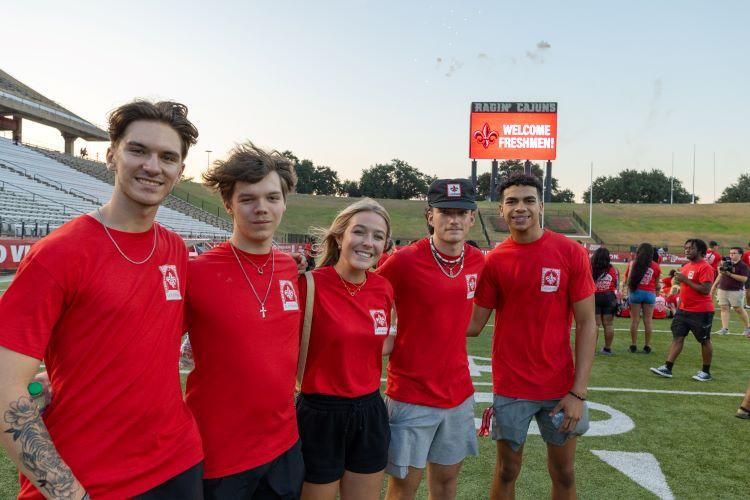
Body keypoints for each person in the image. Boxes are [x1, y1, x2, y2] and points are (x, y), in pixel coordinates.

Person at [0, 100, 204, 498]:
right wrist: (69, 492)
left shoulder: (175, 249)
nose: (153, 166)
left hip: (177, 465)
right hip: (86, 479)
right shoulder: (59, 253)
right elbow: (5, 387)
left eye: (168, 157)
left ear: (180, 171)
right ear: (111, 155)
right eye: (138, 150)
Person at [184, 142, 304, 499]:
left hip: (285, 445)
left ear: (284, 201)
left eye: (272, 197)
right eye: (248, 198)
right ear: (229, 204)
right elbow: (147, 339)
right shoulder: (197, 272)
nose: (262, 208)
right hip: (220, 453)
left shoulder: (288, 267)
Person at [466, 174, 596, 500]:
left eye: (527, 200)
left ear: (540, 205)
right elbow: (473, 325)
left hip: (560, 387)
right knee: (506, 471)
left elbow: (587, 323)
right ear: (501, 209)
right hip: (511, 386)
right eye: (512, 201)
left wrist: (578, 393)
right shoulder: (494, 261)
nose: (519, 208)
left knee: (563, 473)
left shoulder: (570, 252)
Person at [377, 179, 484, 500]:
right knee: (404, 486)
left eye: (460, 213)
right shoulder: (404, 260)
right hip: (411, 395)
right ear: (429, 216)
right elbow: (367, 295)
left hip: (458, 394)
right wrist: (389, 332)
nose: (453, 219)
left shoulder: (479, 261)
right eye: (445, 212)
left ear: (472, 218)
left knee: (446, 484)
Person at [296, 199, 394, 500]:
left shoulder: (383, 288)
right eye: (359, 232)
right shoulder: (308, 285)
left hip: (370, 411)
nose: (368, 243)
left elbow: (376, 345)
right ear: (340, 237)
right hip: (319, 414)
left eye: (378, 237)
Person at [651, 239, 715, 381]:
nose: (686, 250)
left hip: (701, 311)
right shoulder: (686, 266)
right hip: (683, 310)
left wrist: (685, 280)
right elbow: (684, 288)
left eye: (690, 248)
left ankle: (706, 372)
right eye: (685, 248)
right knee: (678, 337)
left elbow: (705, 290)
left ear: (700, 251)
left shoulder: (705, 267)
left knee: (704, 340)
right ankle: (667, 367)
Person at [622, 243, 661, 353]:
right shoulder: (656, 266)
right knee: (648, 321)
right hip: (649, 294)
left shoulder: (633, 263)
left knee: (634, 320)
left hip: (636, 293)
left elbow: (629, 280)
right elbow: (657, 285)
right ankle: (647, 346)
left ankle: (633, 345)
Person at [711, 247, 750, 336]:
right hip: (722, 289)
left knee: (738, 309)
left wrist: (730, 274)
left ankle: (748, 328)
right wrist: (714, 285)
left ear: (740, 255)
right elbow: (720, 275)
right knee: (724, 308)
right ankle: (725, 328)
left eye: (734, 253)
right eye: (730, 253)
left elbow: (744, 279)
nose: (731, 255)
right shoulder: (726, 263)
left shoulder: (743, 266)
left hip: (735, 290)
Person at [591, 247, 618, 355]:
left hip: (595, 296)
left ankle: (592, 348)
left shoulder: (591, 268)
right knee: (609, 324)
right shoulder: (613, 269)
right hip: (609, 297)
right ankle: (607, 349)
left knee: (595, 324)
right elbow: (616, 284)